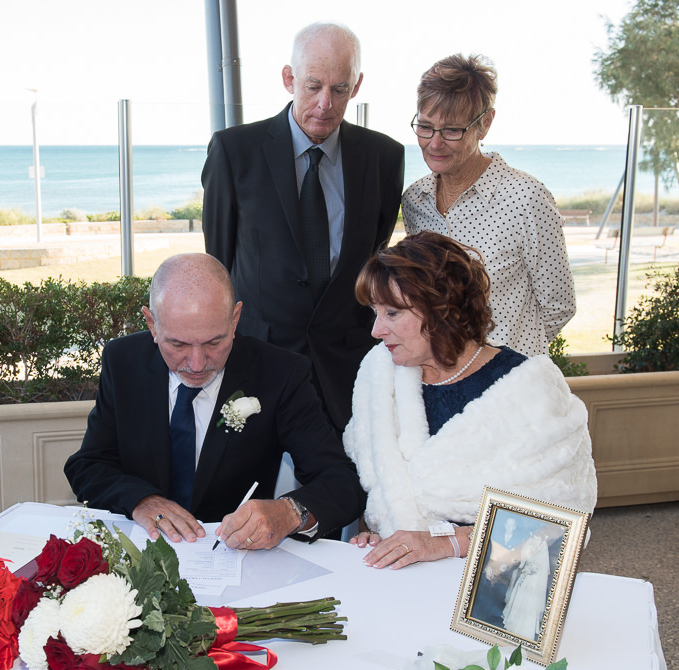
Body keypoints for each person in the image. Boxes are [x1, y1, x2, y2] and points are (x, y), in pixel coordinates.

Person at [64, 253, 364, 549]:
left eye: (214, 343)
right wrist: (141, 500)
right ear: (152, 324)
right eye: (178, 344)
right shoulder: (123, 361)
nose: (196, 364)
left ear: (235, 319)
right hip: (142, 550)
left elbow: (341, 482)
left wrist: (289, 513)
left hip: (235, 558)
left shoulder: (280, 374)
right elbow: (88, 465)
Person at [343, 231, 596, 569]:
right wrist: (375, 533)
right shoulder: (379, 375)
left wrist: (447, 544)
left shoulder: (528, 390)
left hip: (488, 588)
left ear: (441, 311)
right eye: (375, 312)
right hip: (398, 582)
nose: (376, 330)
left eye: (392, 313)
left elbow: (563, 520)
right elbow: (379, 490)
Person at [201, 21, 405, 432]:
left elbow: (372, 257)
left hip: (349, 367)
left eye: (340, 89)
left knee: (346, 489)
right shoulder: (234, 151)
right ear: (288, 78)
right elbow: (218, 265)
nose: (326, 103)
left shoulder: (384, 157)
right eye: (313, 86)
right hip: (258, 364)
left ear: (357, 85)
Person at [400, 54, 576, 357]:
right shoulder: (415, 200)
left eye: (452, 130)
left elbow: (559, 306)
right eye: (425, 127)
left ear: (485, 123)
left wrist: (508, 358)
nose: (435, 143)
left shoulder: (526, 198)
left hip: (512, 386)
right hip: (441, 383)